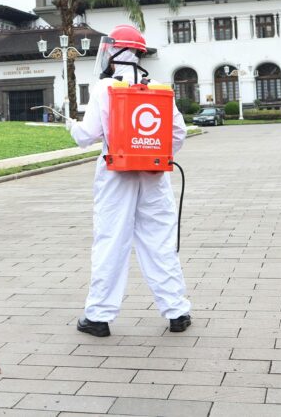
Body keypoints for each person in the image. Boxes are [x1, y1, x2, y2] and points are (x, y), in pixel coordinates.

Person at [65, 24, 191, 336]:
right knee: (160, 241)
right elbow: (178, 134)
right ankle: (177, 312)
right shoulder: (159, 89)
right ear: (137, 53)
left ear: (114, 50)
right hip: (154, 176)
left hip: (115, 175)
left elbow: (87, 136)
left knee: (111, 241)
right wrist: (152, 155)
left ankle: (98, 316)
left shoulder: (103, 89)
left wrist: (70, 124)